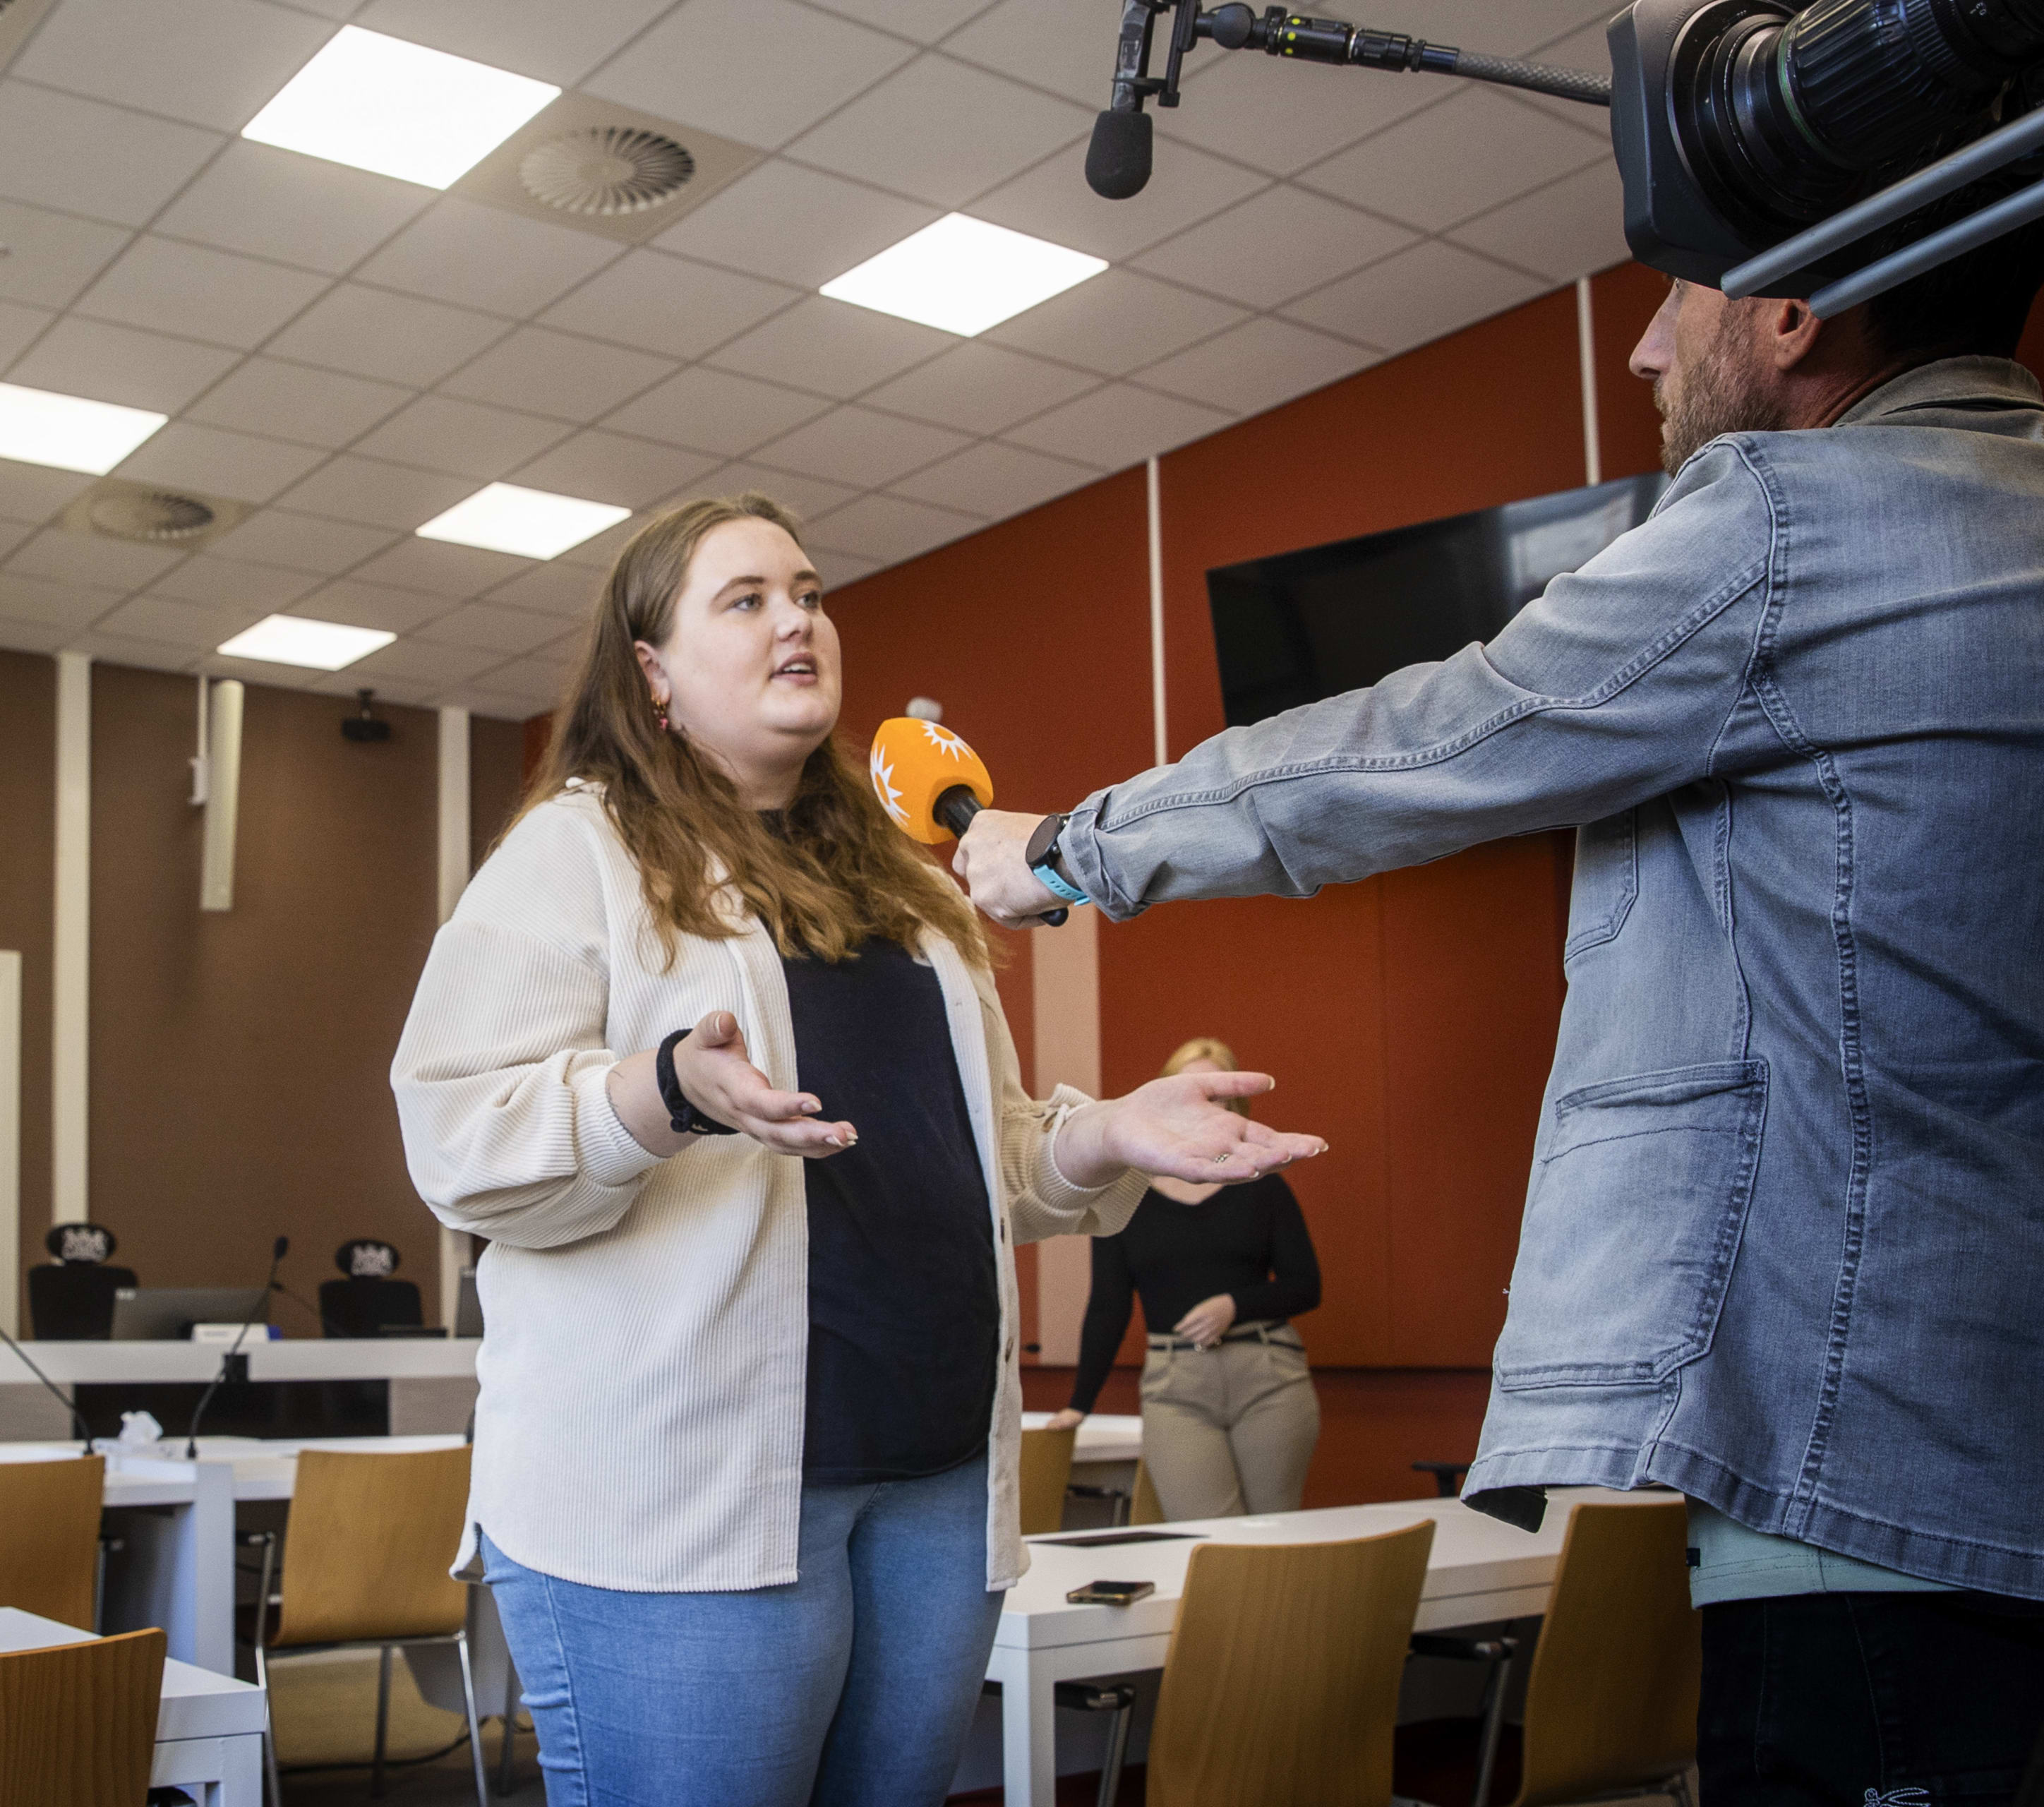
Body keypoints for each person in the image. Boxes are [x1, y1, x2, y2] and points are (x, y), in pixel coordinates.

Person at [954, 211, 2044, 1803]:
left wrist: (1074, 846)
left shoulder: (1793, 520)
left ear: (1795, 311)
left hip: (1843, 1458)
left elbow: (1433, 738)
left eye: (1678, 301)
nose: (1646, 351)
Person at [392, 493, 1325, 1806]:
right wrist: (661, 1094)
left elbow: (990, 1160)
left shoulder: (907, 885)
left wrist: (1108, 1134)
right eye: (747, 600)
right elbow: (454, 1134)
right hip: (689, 1512)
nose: (798, 622)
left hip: (936, 1489)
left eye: (811, 593)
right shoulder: (577, 853)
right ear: (651, 673)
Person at [1049, 1036, 1321, 1520]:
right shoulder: (1125, 1194)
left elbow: (1306, 1286)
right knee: (1206, 1537)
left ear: (1237, 1106)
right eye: (1191, 1089)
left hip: (1268, 1376)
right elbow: (1108, 1305)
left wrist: (1235, 1306)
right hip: (1175, 1387)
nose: (1205, 1105)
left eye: (1218, 1095)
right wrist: (1080, 1403)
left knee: (1275, 1534)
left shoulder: (1265, 1190)